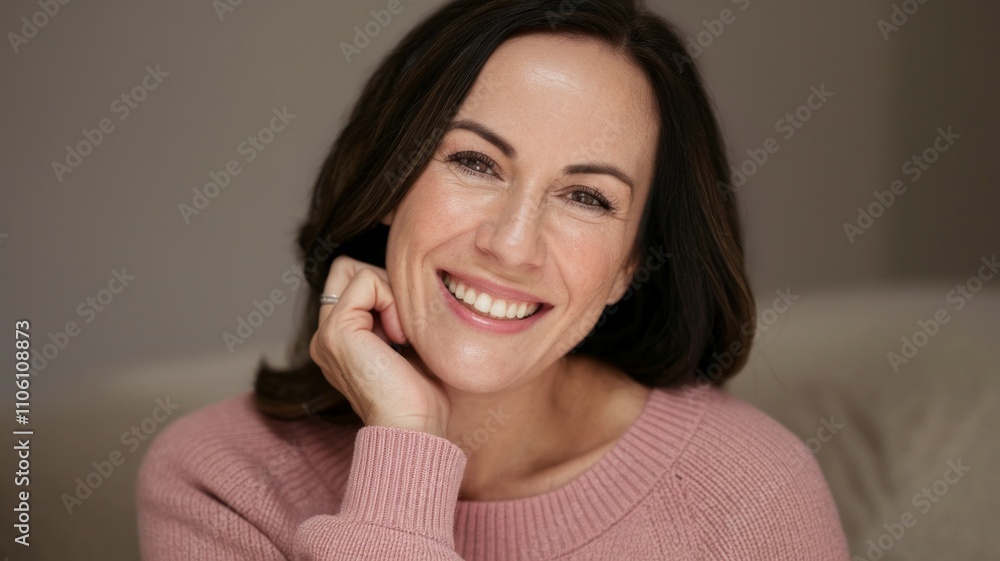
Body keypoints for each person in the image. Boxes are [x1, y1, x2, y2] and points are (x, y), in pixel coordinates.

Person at [136, 0, 850, 559]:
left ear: (630, 266)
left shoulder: (751, 491)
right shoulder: (220, 480)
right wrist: (407, 445)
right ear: (391, 183)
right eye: (475, 162)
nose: (511, 244)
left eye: (587, 197)